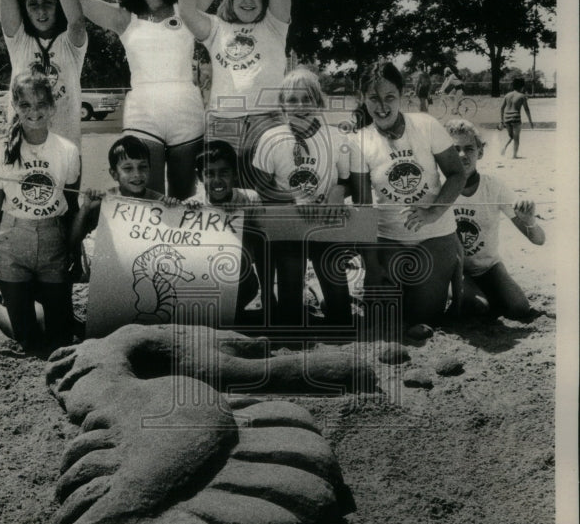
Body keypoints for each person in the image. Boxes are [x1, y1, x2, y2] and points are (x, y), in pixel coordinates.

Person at [65, 0, 230, 199]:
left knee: (182, 199)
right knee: (145, 199)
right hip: (143, 111)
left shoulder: (188, 6)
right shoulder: (123, 17)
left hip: (186, 109)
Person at [349, 60, 465, 337]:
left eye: (390, 97)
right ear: (362, 99)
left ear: (403, 96)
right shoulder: (358, 141)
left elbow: (456, 174)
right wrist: (371, 263)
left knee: (423, 317)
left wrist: (432, 213)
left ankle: (455, 271)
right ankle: (362, 283)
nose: (382, 107)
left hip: (435, 237)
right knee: (383, 315)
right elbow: (363, 207)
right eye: (374, 98)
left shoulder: (425, 125)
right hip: (388, 239)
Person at [0, 69, 80, 356]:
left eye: (41, 104)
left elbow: (71, 207)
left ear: (53, 107)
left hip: (53, 244)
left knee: (59, 339)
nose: (34, 112)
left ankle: (45, 305)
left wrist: (74, 254)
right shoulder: (0, 151)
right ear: (15, 108)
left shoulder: (67, 151)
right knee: (29, 341)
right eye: (25, 105)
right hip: (13, 247)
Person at [178, 0, 291, 152]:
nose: (248, 1)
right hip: (223, 121)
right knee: (225, 189)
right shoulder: (217, 28)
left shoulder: (275, 24)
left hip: (267, 118)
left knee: (268, 188)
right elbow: (186, 10)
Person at [251, 68, 352, 328]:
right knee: (290, 318)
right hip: (290, 225)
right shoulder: (270, 138)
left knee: (341, 317)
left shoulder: (336, 136)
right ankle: (294, 302)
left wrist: (338, 192)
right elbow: (261, 187)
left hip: (324, 223)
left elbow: (347, 179)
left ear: (319, 101)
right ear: (282, 105)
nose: (300, 106)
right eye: (292, 100)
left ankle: (322, 295)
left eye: (307, 99)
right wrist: (293, 198)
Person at [0, 0, 87, 150]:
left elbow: (77, 19)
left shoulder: (69, 42)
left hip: (65, 142)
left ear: (58, 5)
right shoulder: (19, 41)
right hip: (21, 144)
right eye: (33, 4)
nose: (41, 11)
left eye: (48, 2)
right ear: (25, 9)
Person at [446, 118, 544, 320]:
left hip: (489, 267)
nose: (462, 155)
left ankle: (485, 292)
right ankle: (470, 295)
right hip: (454, 270)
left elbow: (538, 239)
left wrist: (530, 220)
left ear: (480, 152)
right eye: (455, 149)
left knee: (519, 308)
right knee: (478, 307)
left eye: (469, 149)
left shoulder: (494, 187)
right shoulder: (439, 188)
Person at [192, 139, 262, 323]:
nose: (217, 180)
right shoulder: (194, 206)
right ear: (200, 177)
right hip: (204, 281)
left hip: (243, 283)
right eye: (209, 174)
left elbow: (261, 243)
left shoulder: (250, 199)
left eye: (224, 172)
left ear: (235, 174)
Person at [499, 75, 534, 159]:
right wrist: (530, 122)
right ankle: (514, 155)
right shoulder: (522, 96)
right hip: (516, 119)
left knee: (511, 136)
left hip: (507, 119)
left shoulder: (507, 95)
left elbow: (501, 108)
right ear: (522, 87)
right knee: (516, 138)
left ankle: (504, 147)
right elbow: (527, 110)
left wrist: (501, 121)